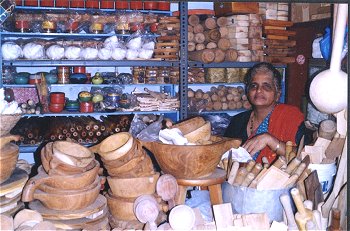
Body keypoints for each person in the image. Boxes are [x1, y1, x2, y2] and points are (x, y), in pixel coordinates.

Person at [224, 62, 305, 164]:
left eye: (266, 86)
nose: (258, 91)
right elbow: (225, 158)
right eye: (254, 86)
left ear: (277, 94)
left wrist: (270, 140)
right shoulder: (237, 121)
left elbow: (305, 156)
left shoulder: (290, 117)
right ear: (248, 92)